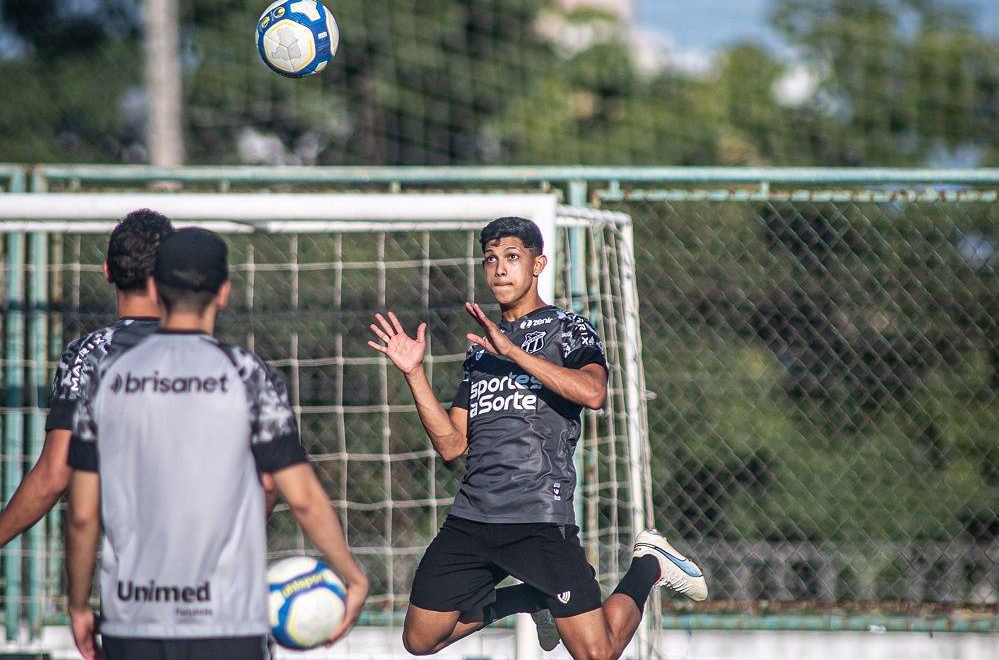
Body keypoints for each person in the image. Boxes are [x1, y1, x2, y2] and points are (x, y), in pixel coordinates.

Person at [368, 216, 707, 660]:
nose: (500, 269)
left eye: (512, 257)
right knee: (420, 640)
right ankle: (531, 598)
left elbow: (593, 392)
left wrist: (513, 353)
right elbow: (451, 443)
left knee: (598, 654)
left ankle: (650, 564)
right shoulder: (480, 350)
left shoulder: (568, 329)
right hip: (473, 517)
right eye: (491, 259)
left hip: (538, 518)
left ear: (537, 263)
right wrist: (414, 374)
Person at [65, 227, 369, 660]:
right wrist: (351, 576)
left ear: (154, 287)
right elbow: (300, 497)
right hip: (227, 622)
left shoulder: (107, 377)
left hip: (131, 619)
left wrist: (78, 605)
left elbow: (80, 514)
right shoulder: (246, 374)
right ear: (223, 293)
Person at [0, 209, 174, 548]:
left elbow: (55, 474)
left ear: (107, 271)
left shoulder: (91, 355)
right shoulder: (215, 356)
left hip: (137, 576)